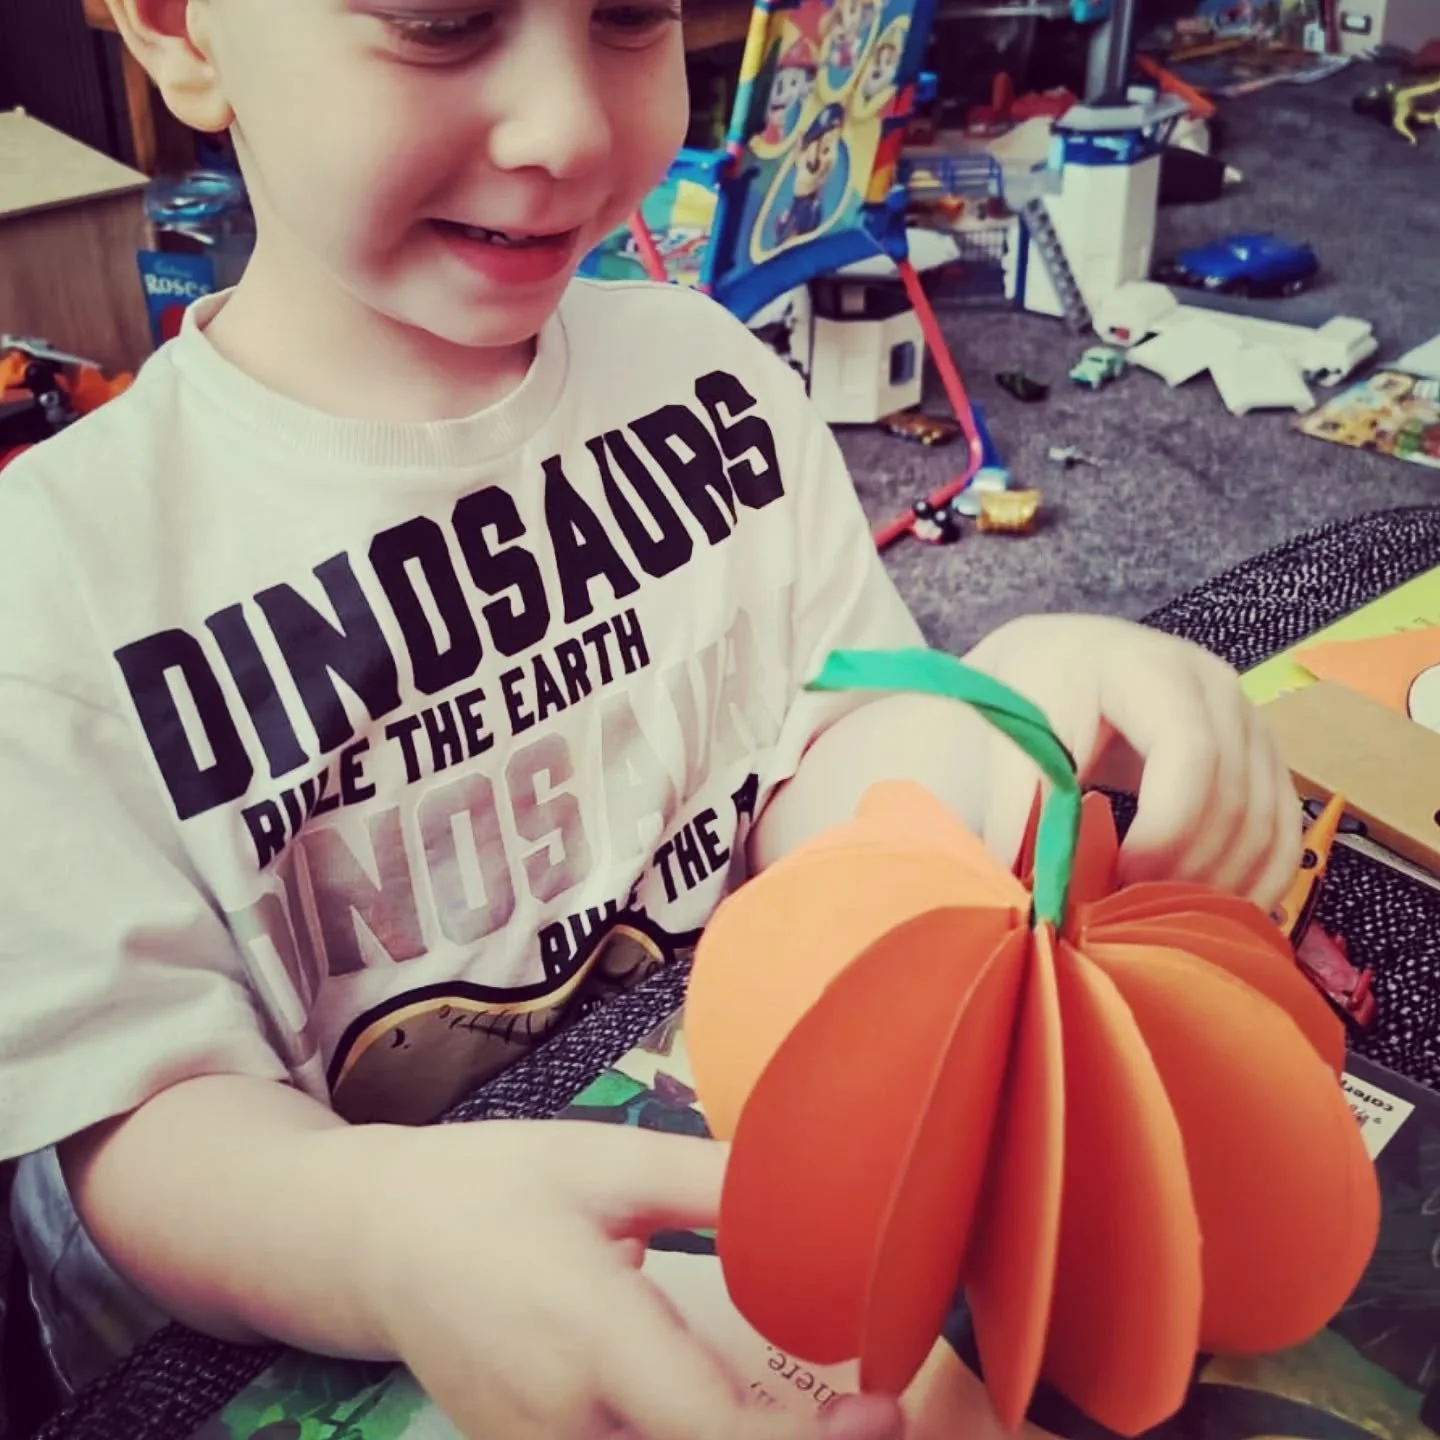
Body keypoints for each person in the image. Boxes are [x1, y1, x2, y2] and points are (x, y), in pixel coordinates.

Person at [0, 0, 1301, 1436]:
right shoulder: (55, 584)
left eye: (630, 15)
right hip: (300, 1327)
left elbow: (814, 783)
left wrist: (1009, 705)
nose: (570, 127)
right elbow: (136, 1117)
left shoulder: (709, 374)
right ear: (180, 29)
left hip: (720, 1196)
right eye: (441, 21)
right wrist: (375, 1232)